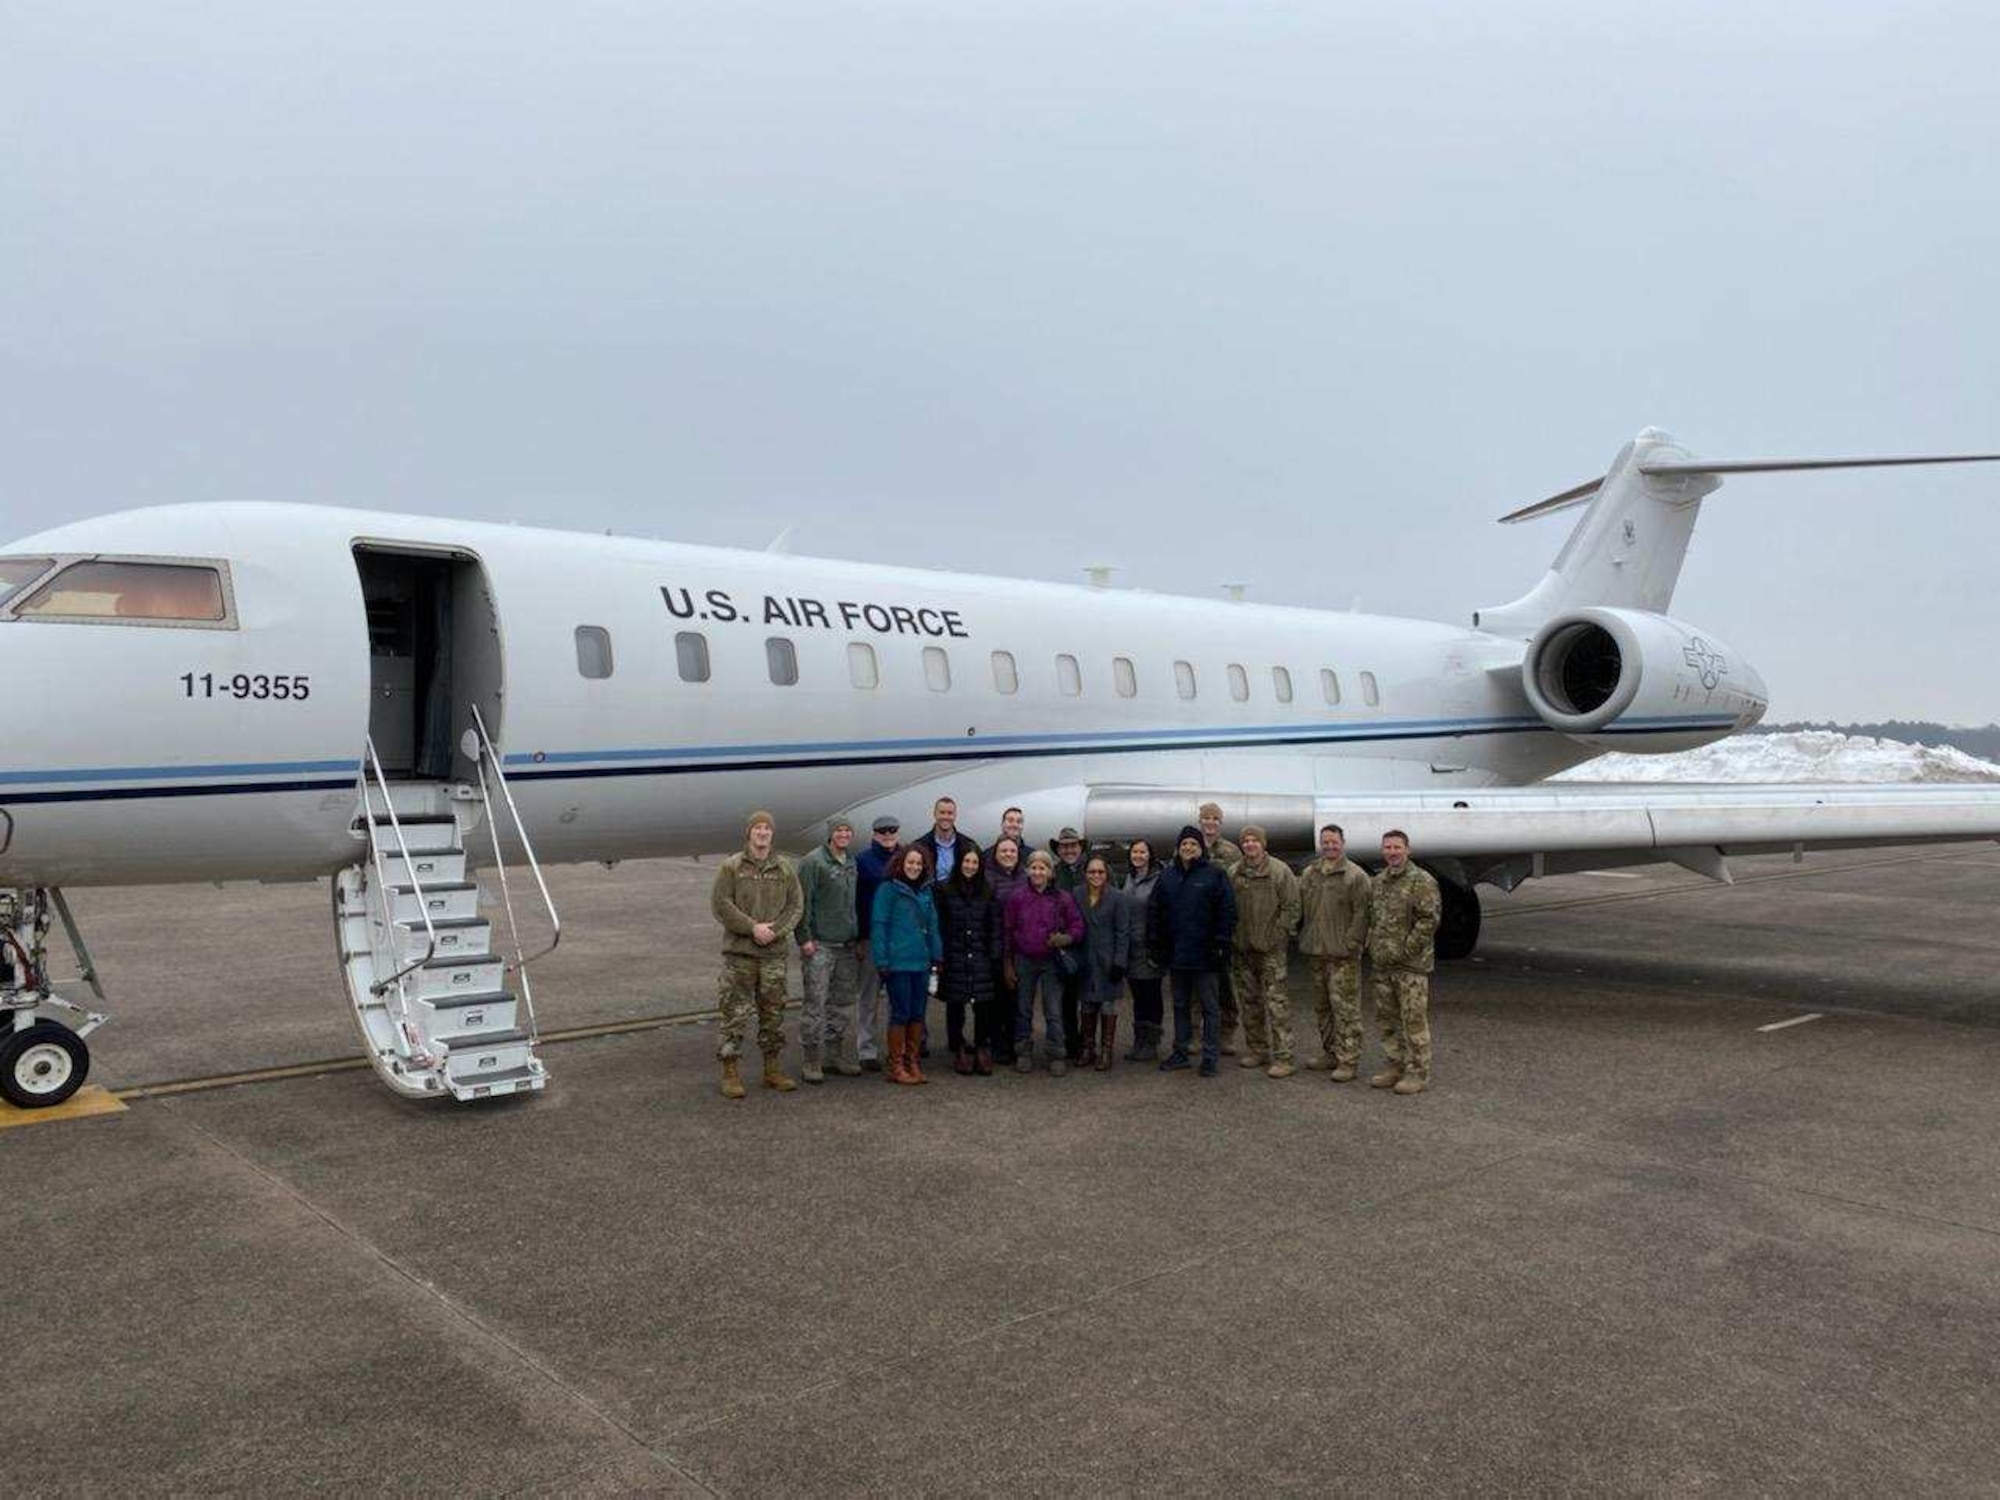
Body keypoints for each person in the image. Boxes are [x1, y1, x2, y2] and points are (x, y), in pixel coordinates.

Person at [709, 810, 805, 1099]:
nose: (763, 833)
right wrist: (753, 928)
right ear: (748, 834)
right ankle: (730, 1071)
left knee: (773, 1013)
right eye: (758, 828)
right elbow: (721, 904)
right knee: (734, 1014)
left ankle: (772, 1069)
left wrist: (775, 931)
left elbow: (796, 906)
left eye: (767, 829)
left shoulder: (785, 868)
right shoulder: (732, 867)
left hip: (773, 954)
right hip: (741, 955)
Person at [1150, 825, 1237, 1077]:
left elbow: (1227, 912)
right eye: (1184, 844)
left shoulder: (1214, 875)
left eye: (1193, 844)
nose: (1188, 848)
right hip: (1177, 955)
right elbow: (1156, 911)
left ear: (1201, 849)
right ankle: (1180, 1051)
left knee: (1210, 1007)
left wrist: (1221, 943)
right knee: (1179, 1005)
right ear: (1178, 848)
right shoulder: (1167, 876)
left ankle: (1210, 1057)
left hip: (1206, 955)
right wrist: (1156, 944)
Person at [1366, 829, 1441, 1096]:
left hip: (1411, 965)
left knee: (1413, 1020)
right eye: (1387, 847)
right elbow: (1373, 919)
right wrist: (1373, 946)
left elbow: (1428, 920)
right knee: (1387, 1019)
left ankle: (1417, 1072)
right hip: (1384, 964)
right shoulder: (1379, 881)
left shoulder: (1421, 880)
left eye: (1397, 847)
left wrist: (1405, 949)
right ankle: (1394, 1065)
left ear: (1407, 850)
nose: (1392, 852)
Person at [1298, 823, 1372, 1081]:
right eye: (1325, 842)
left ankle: (1348, 1059)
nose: (1329, 846)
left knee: (1346, 1009)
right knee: (1323, 1007)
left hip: (1342, 954)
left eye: (1334, 841)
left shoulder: (1355, 876)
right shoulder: (1310, 873)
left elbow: (1363, 914)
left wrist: (1353, 944)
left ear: (1343, 843)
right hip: (1317, 951)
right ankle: (1330, 1052)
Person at [793, 815, 864, 1083]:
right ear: (831, 834)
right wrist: (804, 938)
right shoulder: (813, 862)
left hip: (846, 944)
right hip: (820, 944)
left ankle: (834, 1054)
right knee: (815, 1003)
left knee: (843, 1002)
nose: (844, 835)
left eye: (848, 830)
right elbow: (803, 902)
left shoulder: (851, 861)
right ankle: (811, 1059)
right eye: (839, 831)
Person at [1229, 824, 1302, 1078]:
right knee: (1249, 1002)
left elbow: (1292, 908)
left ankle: (1284, 1057)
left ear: (1263, 844)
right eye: (1246, 840)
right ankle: (1257, 1049)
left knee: (1276, 1004)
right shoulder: (1234, 873)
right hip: (1243, 949)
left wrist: (1277, 936)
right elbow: (1228, 908)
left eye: (1254, 840)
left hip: (1270, 950)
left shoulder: (1280, 871)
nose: (1250, 844)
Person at [1002, 850, 1083, 1076]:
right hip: (1023, 959)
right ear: (1027, 870)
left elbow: (1078, 926)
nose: (1038, 872)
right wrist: (1007, 963)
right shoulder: (1017, 897)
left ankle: (1057, 1052)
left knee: (1053, 1009)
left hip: (1051, 961)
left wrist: (1066, 938)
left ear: (1050, 872)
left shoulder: (1063, 898)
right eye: (1034, 867)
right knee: (1023, 1008)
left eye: (1043, 868)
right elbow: (1008, 931)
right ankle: (1023, 1051)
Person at [871, 845, 943, 1086]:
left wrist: (937, 955)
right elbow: (879, 925)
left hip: (921, 962)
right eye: (910, 862)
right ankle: (896, 1065)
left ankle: (913, 1062)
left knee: (917, 1014)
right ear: (901, 864)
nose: (914, 867)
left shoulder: (925, 891)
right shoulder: (888, 889)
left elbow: (933, 926)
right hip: (898, 963)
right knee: (900, 1014)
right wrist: (881, 960)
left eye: (918, 864)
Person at [936, 844, 1003, 1075]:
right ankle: (958, 1047)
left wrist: (994, 953)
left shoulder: (987, 888)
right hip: (954, 954)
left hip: (981, 954)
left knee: (983, 1004)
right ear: (959, 863)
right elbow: (941, 924)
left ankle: (982, 1046)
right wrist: (941, 954)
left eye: (974, 862)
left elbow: (994, 924)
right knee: (956, 1004)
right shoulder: (945, 889)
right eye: (966, 861)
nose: (970, 866)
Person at [853, 814, 901, 1071]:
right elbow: (857, 902)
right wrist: (860, 937)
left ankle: (897, 1049)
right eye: (882, 832)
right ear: (874, 834)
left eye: (892, 831)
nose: (887, 835)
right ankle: (867, 1050)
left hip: (899, 938)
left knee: (898, 997)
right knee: (868, 997)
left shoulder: (906, 857)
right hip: (872, 938)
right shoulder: (862, 861)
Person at [1076, 854, 1131, 1070]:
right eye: (1091, 872)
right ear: (1085, 874)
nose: (1096, 875)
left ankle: (1107, 1051)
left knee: (1108, 1005)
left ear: (1107, 874)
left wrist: (1120, 961)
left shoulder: (1117, 897)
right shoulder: (1077, 894)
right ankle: (1088, 1048)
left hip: (1109, 960)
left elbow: (1123, 931)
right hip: (1085, 958)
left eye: (1100, 872)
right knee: (1087, 1004)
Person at [1197, 802, 1245, 1054]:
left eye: (1215, 818)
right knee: (1195, 985)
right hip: (1196, 928)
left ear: (1220, 822)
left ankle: (1226, 1034)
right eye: (1206, 818)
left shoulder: (1231, 852)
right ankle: (1195, 1034)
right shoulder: (1189, 847)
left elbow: (1237, 889)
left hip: (1221, 928)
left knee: (1226, 984)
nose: (1210, 823)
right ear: (1200, 821)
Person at [1119, 839, 1165, 1061]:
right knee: (1138, 996)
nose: (1138, 855)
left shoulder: (1159, 879)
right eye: (1135, 852)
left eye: (1142, 852)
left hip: (1149, 947)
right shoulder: (1129, 878)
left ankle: (1152, 1042)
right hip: (1131, 948)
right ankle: (1139, 1041)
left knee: (1151, 995)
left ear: (1150, 855)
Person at [986, 836, 1031, 1067]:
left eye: (1012, 850)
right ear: (995, 853)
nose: (1008, 854)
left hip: (1020, 947)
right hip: (995, 946)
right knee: (996, 1000)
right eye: (1003, 850)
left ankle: (1017, 1043)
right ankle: (997, 1045)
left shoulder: (1026, 876)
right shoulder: (987, 877)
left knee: (1017, 1000)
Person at [1048, 827, 1089, 1058]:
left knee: (1092, 996)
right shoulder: (1053, 874)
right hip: (1066, 944)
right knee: (1067, 997)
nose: (1069, 850)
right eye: (1064, 846)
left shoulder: (1094, 870)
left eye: (1073, 845)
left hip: (1092, 941)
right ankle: (1071, 1041)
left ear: (1080, 847)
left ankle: (1089, 1042)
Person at [914, 796, 979, 887]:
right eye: (942, 813)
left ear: (955, 815)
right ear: (935, 814)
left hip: (960, 896)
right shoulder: (921, 846)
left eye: (950, 813)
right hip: (932, 896)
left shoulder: (967, 844)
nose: (946, 817)